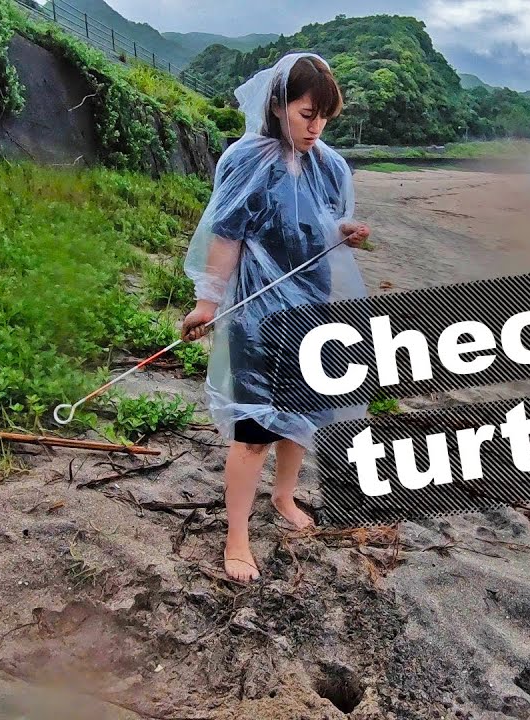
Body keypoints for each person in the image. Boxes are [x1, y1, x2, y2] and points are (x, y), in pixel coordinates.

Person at [181, 53, 371, 583]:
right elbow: (227, 236)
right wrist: (207, 303)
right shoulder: (250, 160)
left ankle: (284, 495)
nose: (317, 127)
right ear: (278, 105)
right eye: (307, 113)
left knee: (300, 414)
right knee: (254, 427)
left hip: (312, 308)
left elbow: (321, 227)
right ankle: (237, 536)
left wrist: (346, 231)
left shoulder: (327, 165)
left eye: (325, 117)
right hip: (256, 316)